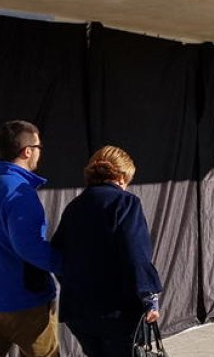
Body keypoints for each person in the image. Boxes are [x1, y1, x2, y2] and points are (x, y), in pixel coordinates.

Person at [0, 120, 62, 357]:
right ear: (28, 151)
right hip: (21, 301)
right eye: (39, 148)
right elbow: (29, 246)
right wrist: (69, 264)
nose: (40, 154)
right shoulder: (19, 191)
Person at [52, 146, 163, 357]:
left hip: (78, 311)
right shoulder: (125, 203)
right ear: (122, 177)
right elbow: (136, 254)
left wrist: (72, 282)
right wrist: (150, 298)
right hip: (117, 312)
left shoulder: (74, 206)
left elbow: (57, 254)